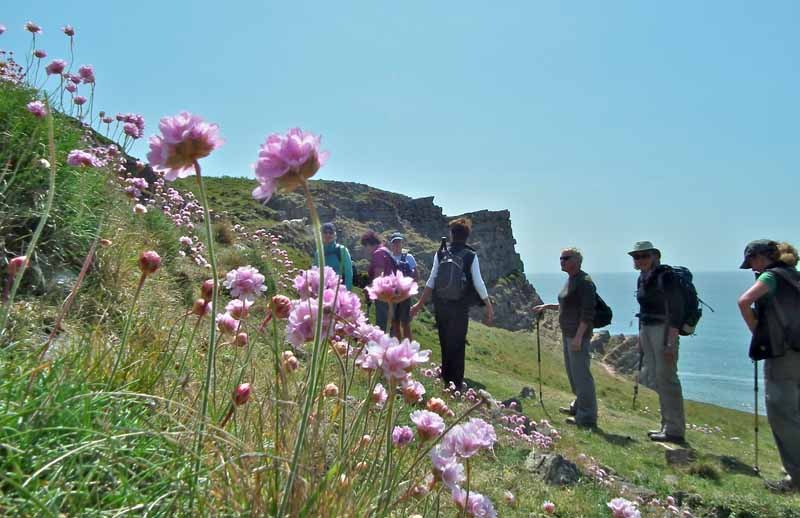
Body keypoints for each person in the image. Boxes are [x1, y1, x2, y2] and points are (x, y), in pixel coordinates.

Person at [737, 239, 800, 493]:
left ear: (761, 257)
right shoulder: (794, 277)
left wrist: (757, 332)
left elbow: (744, 301)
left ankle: (795, 479)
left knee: (782, 415)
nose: (752, 267)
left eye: (752, 261)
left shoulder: (771, 277)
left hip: (781, 354)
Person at [411, 218, 493, 390]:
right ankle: (455, 383)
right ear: (467, 236)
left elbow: (431, 281)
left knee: (444, 341)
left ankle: (446, 380)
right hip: (460, 306)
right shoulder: (470, 255)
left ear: (451, 234)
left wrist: (418, 304)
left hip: (441, 305)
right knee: (457, 344)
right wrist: (488, 306)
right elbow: (478, 282)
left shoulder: (441, 253)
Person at [533, 247, 598, 428]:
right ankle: (579, 406)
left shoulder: (584, 282)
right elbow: (566, 305)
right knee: (573, 374)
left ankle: (587, 416)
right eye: (561, 258)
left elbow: (587, 312)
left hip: (578, 336)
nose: (561, 261)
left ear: (576, 260)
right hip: (568, 333)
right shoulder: (572, 280)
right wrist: (547, 306)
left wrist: (579, 337)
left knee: (582, 375)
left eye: (566, 258)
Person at [629, 240, 686, 444]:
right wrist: (641, 338)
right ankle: (667, 425)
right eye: (637, 257)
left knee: (667, 378)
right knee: (658, 377)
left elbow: (676, 309)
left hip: (663, 330)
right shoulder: (642, 278)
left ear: (655, 256)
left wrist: (671, 342)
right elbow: (645, 309)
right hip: (648, 329)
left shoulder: (666, 276)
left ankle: (675, 430)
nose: (640, 260)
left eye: (645, 256)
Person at [360, 230, 396, 330]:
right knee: (392, 324)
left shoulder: (378, 254)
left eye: (365, 247)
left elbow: (378, 277)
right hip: (394, 292)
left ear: (368, 244)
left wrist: (369, 288)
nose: (366, 251)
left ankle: (380, 344)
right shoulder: (386, 251)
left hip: (384, 294)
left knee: (381, 324)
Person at [389, 232, 418, 341]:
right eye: (395, 242)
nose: (397, 244)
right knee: (394, 321)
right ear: (391, 244)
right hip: (392, 295)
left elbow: (416, 275)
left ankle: (408, 348)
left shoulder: (409, 257)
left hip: (405, 295)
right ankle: (397, 346)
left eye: (399, 242)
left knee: (405, 322)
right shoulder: (388, 257)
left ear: (402, 243)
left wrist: (409, 291)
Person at [313, 222, 353, 290]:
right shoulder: (318, 253)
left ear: (335, 235)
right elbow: (316, 273)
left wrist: (347, 291)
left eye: (331, 232)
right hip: (323, 291)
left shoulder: (342, 250)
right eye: (325, 232)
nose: (328, 235)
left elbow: (348, 273)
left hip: (339, 290)